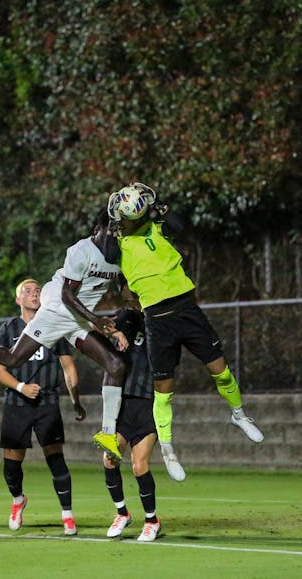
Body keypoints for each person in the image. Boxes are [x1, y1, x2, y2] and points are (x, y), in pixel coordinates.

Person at [0, 210, 128, 460]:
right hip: (58, 309)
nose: (114, 237)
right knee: (13, 360)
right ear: (97, 231)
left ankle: (107, 432)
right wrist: (96, 321)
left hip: (78, 319)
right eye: (110, 232)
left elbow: (126, 291)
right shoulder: (81, 250)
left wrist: (144, 306)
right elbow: (67, 296)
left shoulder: (121, 255)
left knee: (116, 365)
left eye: (118, 232)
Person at [105, 183, 263, 482]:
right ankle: (168, 450)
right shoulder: (119, 242)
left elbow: (181, 225)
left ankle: (239, 415)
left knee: (221, 370)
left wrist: (158, 204)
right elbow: (110, 253)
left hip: (186, 308)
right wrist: (114, 223)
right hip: (156, 319)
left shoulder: (157, 227)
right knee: (163, 392)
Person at [0, 279, 86, 536]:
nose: (34, 293)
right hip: (17, 401)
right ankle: (18, 500)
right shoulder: (8, 329)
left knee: (56, 458)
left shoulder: (54, 325)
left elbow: (69, 369)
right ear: (18, 300)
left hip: (47, 402)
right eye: (27, 291)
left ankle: (67, 515)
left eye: (37, 290)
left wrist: (76, 401)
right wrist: (21, 387)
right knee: (12, 463)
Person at [102, 305, 163, 542]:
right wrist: (115, 333)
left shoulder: (163, 326)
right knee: (109, 458)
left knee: (139, 465)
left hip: (149, 404)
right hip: (122, 404)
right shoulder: (128, 316)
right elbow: (99, 326)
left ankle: (151, 520)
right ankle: (122, 513)